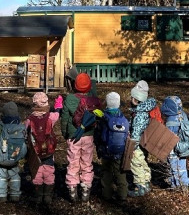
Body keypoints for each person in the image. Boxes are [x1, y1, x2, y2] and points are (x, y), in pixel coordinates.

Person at [61, 71, 101, 203]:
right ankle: (86, 190)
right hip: (88, 135)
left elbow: (65, 118)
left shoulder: (70, 99)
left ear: (75, 85)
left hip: (73, 136)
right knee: (87, 162)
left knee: (73, 162)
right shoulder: (93, 100)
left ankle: (72, 190)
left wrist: (64, 132)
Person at [25, 92, 60, 205]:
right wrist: (58, 104)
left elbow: (26, 132)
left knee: (37, 172)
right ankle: (48, 195)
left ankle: (38, 195)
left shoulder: (29, 119)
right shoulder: (50, 117)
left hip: (35, 152)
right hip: (48, 151)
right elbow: (57, 114)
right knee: (49, 171)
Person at [95, 91, 129, 202]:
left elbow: (98, 134)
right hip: (120, 151)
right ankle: (123, 194)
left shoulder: (103, 117)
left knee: (106, 172)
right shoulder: (122, 117)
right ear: (118, 104)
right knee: (120, 173)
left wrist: (98, 146)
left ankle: (107, 194)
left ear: (107, 104)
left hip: (106, 150)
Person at [128, 80, 157, 197]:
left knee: (136, 163)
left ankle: (140, 186)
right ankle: (146, 183)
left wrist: (132, 146)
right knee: (143, 162)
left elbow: (136, 131)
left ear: (135, 99)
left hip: (138, 143)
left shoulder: (139, 113)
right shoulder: (147, 108)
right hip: (145, 141)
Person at [0, 101, 26, 203]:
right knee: (15, 175)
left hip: (1, 157)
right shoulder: (20, 126)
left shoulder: (0, 126)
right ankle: (15, 194)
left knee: (0, 175)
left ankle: (1, 195)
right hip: (15, 157)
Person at [161, 95, 189, 191]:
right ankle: (184, 183)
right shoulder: (183, 115)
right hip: (183, 146)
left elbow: (168, 137)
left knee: (174, 165)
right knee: (182, 165)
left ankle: (176, 185)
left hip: (173, 148)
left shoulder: (170, 121)